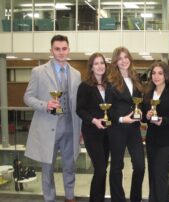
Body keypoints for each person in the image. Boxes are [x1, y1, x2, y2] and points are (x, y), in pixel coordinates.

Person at [24, 34, 81, 202]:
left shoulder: (76, 74)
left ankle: (70, 197)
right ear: (51, 51)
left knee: (70, 166)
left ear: (68, 50)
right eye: (57, 49)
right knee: (47, 168)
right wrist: (44, 105)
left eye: (64, 49)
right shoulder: (39, 72)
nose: (61, 52)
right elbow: (27, 97)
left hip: (70, 127)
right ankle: (49, 198)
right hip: (48, 128)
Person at [142, 61, 169, 202]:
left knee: (160, 175)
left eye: (160, 73)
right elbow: (143, 116)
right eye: (153, 73)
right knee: (153, 175)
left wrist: (164, 120)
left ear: (166, 75)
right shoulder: (148, 94)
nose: (156, 76)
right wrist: (147, 116)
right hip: (152, 141)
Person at [106, 47, 145, 202]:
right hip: (117, 129)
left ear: (130, 59)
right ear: (115, 62)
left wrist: (140, 111)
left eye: (126, 57)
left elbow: (139, 101)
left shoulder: (136, 78)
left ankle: (136, 198)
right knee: (116, 167)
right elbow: (107, 108)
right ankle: (118, 199)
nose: (123, 60)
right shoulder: (110, 81)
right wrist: (122, 119)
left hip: (134, 129)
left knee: (140, 166)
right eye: (120, 58)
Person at [76, 53, 110, 202]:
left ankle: (98, 198)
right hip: (92, 132)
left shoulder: (109, 84)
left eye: (102, 63)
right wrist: (93, 120)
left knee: (102, 171)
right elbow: (80, 109)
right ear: (91, 67)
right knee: (100, 169)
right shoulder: (85, 86)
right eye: (96, 63)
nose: (100, 66)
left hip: (107, 133)